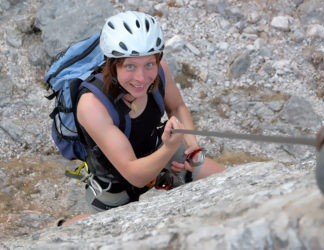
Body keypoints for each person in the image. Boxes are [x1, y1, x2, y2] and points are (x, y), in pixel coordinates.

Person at [60, 11, 225, 225]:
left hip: (155, 148)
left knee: (228, 180)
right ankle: (64, 227)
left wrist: (192, 150)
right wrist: (168, 148)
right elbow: (133, 173)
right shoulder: (92, 105)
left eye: (149, 64)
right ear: (113, 64)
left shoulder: (161, 71)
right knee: (94, 230)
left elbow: (176, 107)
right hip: (116, 181)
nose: (141, 78)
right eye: (130, 66)